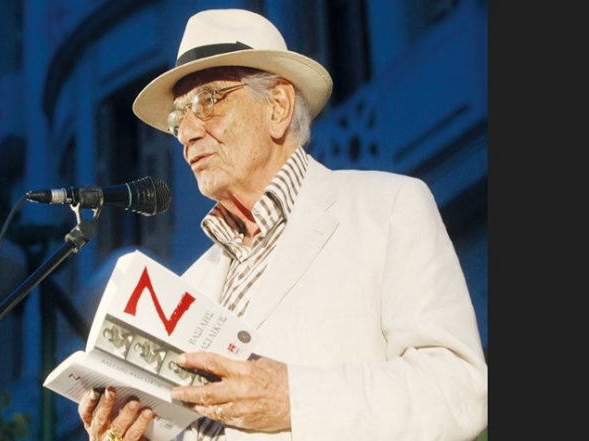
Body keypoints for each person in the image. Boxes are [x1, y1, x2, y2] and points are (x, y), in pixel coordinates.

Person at [77, 8, 488, 441]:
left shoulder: (387, 208)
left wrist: (292, 399)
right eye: (180, 117)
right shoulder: (190, 285)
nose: (186, 133)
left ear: (277, 106)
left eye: (208, 101)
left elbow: (458, 391)